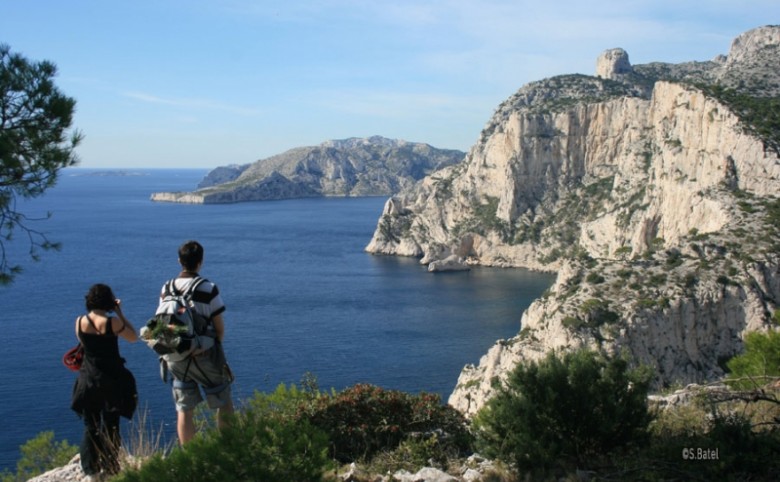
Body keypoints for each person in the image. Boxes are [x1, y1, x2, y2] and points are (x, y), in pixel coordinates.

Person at [159, 240, 234, 444]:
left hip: (175, 356)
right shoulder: (208, 288)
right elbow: (219, 329)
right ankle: (229, 450)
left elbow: (164, 323)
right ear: (200, 262)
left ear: (179, 261)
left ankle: (189, 458)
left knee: (184, 409)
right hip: (204, 355)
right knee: (223, 400)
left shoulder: (167, 288)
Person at [71, 284, 138, 480]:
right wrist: (120, 313)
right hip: (111, 380)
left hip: (88, 379)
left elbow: (85, 347)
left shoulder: (79, 322)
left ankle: (91, 470)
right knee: (111, 425)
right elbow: (133, 337)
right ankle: (110, 467)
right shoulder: (113, 323)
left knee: (90, 425)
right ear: (108, 301)